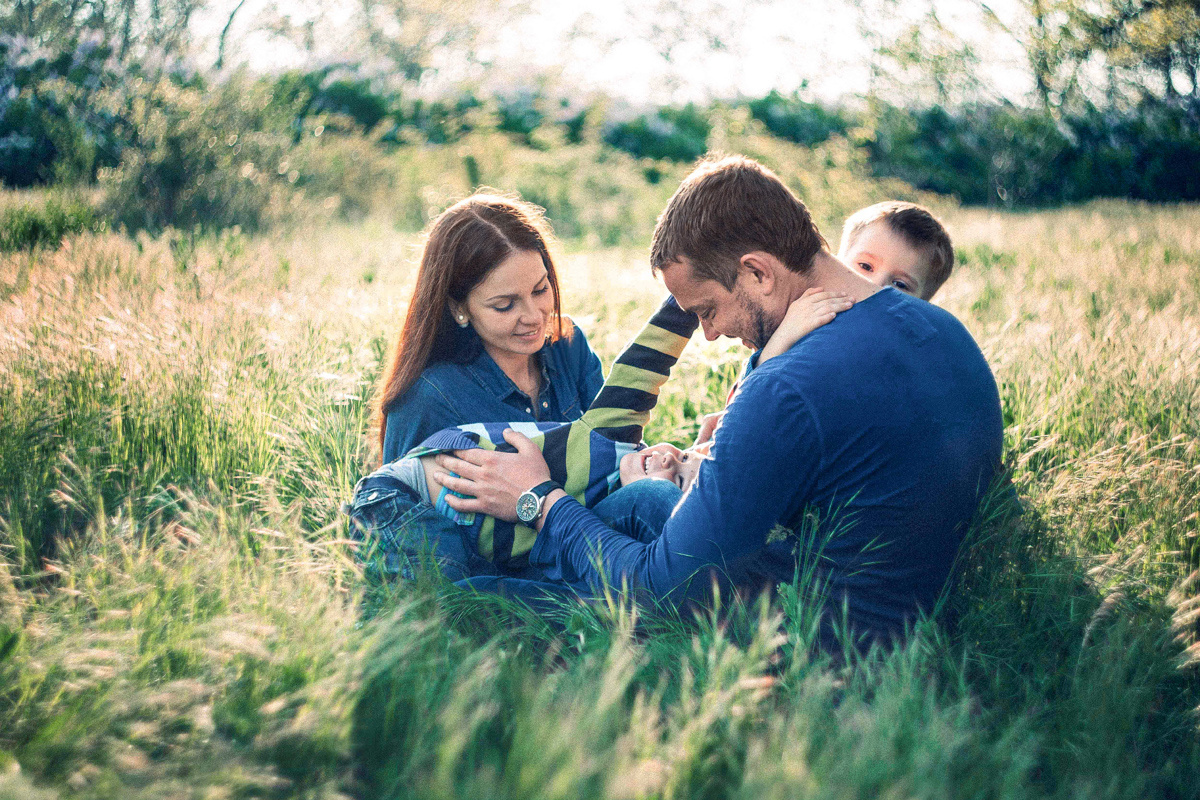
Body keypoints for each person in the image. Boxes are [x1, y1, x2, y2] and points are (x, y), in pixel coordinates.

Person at [431, 155, 1004, 651]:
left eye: (706, 309)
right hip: (909, 611)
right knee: (649, 505)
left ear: (757, 271)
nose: (708, 334)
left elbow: (660, 592)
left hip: (812, 636)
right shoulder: (945, 332)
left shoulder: (784, 390)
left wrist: (540, 500)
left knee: (473, 596)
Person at [347, 287, 855, 579]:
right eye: (682, 455)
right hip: (400, 499)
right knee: (446, 598)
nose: (666, 459)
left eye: (679, 477)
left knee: (484, 594)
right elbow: (652, 354)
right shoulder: (609, 441)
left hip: (481, 533)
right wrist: (772, 341)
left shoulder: (613, 503)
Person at [694, 199, 957, 446]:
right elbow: (751, 406)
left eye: (899, 285)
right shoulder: (809, 316)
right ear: (836, 263)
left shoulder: (895, 358)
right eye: (865, 266)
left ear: (922, 306)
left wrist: (780, 342)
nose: (875, 287)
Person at [373, 193, 605, 465]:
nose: (534, 317)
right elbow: (394, 491)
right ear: (458, 308)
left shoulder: (568, 344)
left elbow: (617, 443)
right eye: (505, 305)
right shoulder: (429, 399)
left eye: (540, 289)